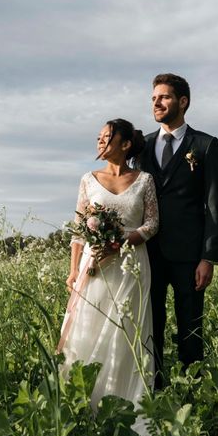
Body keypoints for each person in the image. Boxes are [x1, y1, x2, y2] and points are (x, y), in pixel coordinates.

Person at [59, 118, 159, 413]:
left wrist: (120, 239)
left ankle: (125, 403)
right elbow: (78, 229)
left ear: (125, 144)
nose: (100, 142)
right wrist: (74, 270)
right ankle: (85, 403)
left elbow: (152, 224)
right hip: (95, 266)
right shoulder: (88, 180)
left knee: (126, 330)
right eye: (98, 137)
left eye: (107, 137)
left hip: (131, 265)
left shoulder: (145, 180)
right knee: (88, 328)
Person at [139, 73, 218, 389]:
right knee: (152, 326)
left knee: (190, 327)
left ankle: (194, 394)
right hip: (148, 253)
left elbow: (214, 205)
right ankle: (155, 389)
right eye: (153, 98)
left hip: (189, 255)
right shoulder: (143, 145)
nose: (156, 103)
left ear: (182, 101)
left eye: (163, 97)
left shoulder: (204, 145)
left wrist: (209, 257)